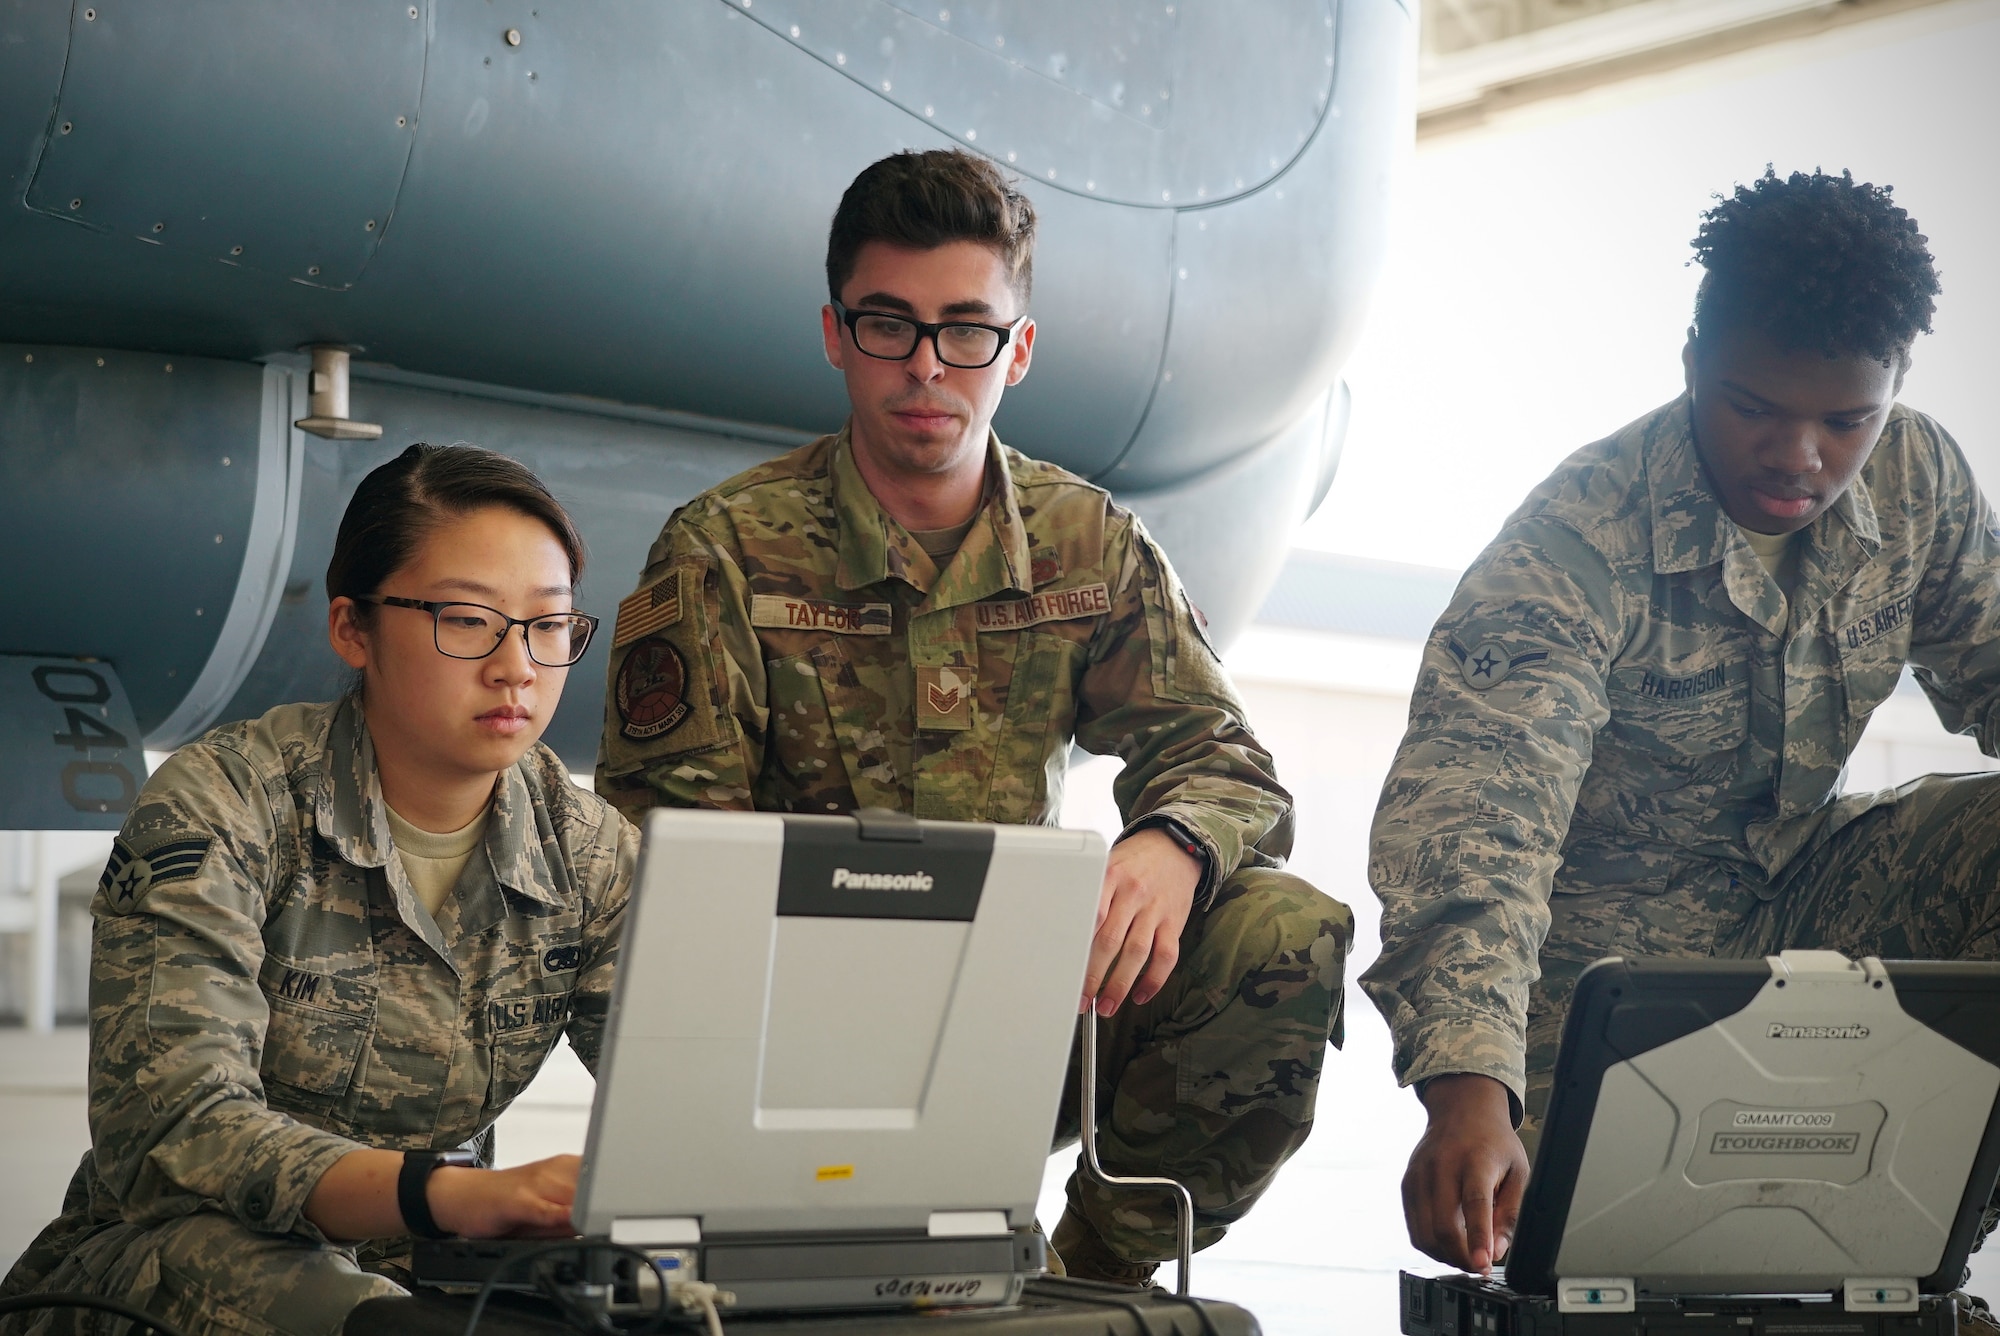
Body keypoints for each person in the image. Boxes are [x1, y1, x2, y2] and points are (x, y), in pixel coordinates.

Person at [596, 148, 1350, 1286]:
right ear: (834, 332)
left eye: (966, 330)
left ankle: (1080, 1287)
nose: (926, 367)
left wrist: (1172, 841)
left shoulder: (1085, 541)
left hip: (1020, 1018)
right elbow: (668, 862)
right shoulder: (725, 549)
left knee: (1282, 930)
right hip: (790, 1027)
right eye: (887, 325)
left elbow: (1225, 759)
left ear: (1019, 347)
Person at [1361, 169, 2000, 1274]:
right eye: (1754, 407)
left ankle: (1933, 1243)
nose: (1799, 456)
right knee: (1621, 1252)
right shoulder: (1570, 546)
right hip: (1598, 973)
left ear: (1891, 387)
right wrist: (1468, 1089)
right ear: (1693, 359)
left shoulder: (1916, 482)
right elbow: (1477, 829)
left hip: (1807, 905)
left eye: (1845, 418)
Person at [1, 445, 632, 1336]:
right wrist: (454, 1196)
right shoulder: (226, 804)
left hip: (433, 1266)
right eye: (467, 619)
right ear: (352, 627)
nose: (516, 667)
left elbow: (693, 1090)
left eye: (549, 625)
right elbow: (175, 1134)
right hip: (163, 1268)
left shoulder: (588, 851)